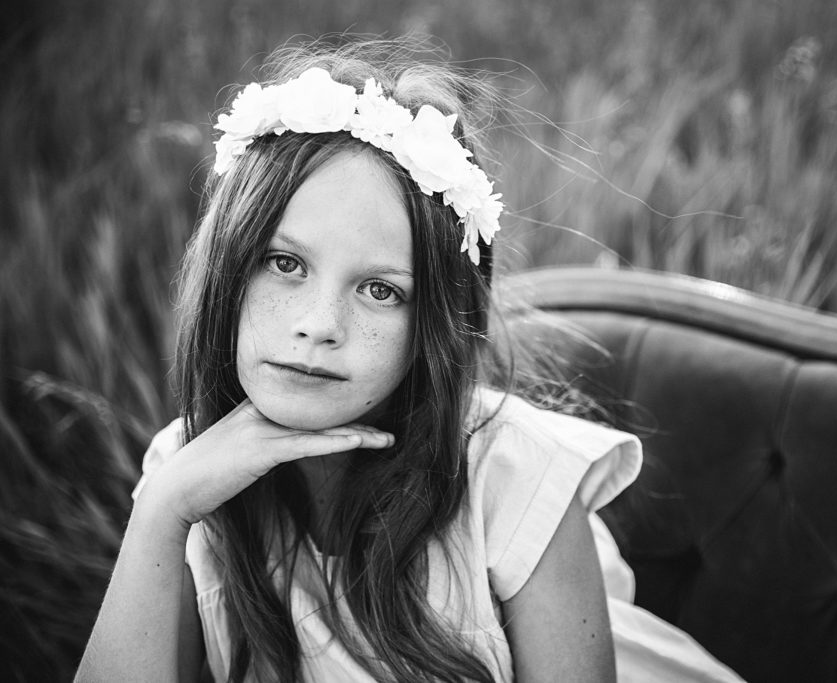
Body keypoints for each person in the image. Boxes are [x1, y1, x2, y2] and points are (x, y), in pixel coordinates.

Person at [75, 38, 744, 683]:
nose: (319, 327)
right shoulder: (188, 471)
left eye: (380, 290)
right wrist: (162, 510)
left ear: (434, 326)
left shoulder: (510, 477)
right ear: (227, 269)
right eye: (285, 263)